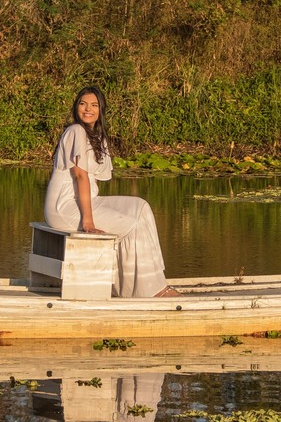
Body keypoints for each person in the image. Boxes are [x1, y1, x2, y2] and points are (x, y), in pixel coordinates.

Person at [43, 86, 179, 298]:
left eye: (94, 105)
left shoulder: (96, 137)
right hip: (64, 206)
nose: (88, 109)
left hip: (84, 200)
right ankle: (151, 290)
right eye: (83, 104)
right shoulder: (76, 131)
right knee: (131, 225)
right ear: (76, 106)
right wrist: (88, 221)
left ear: (101, 110)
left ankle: (147, 281)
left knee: (140, 207)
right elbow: (80, 176)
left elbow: (94, 179)